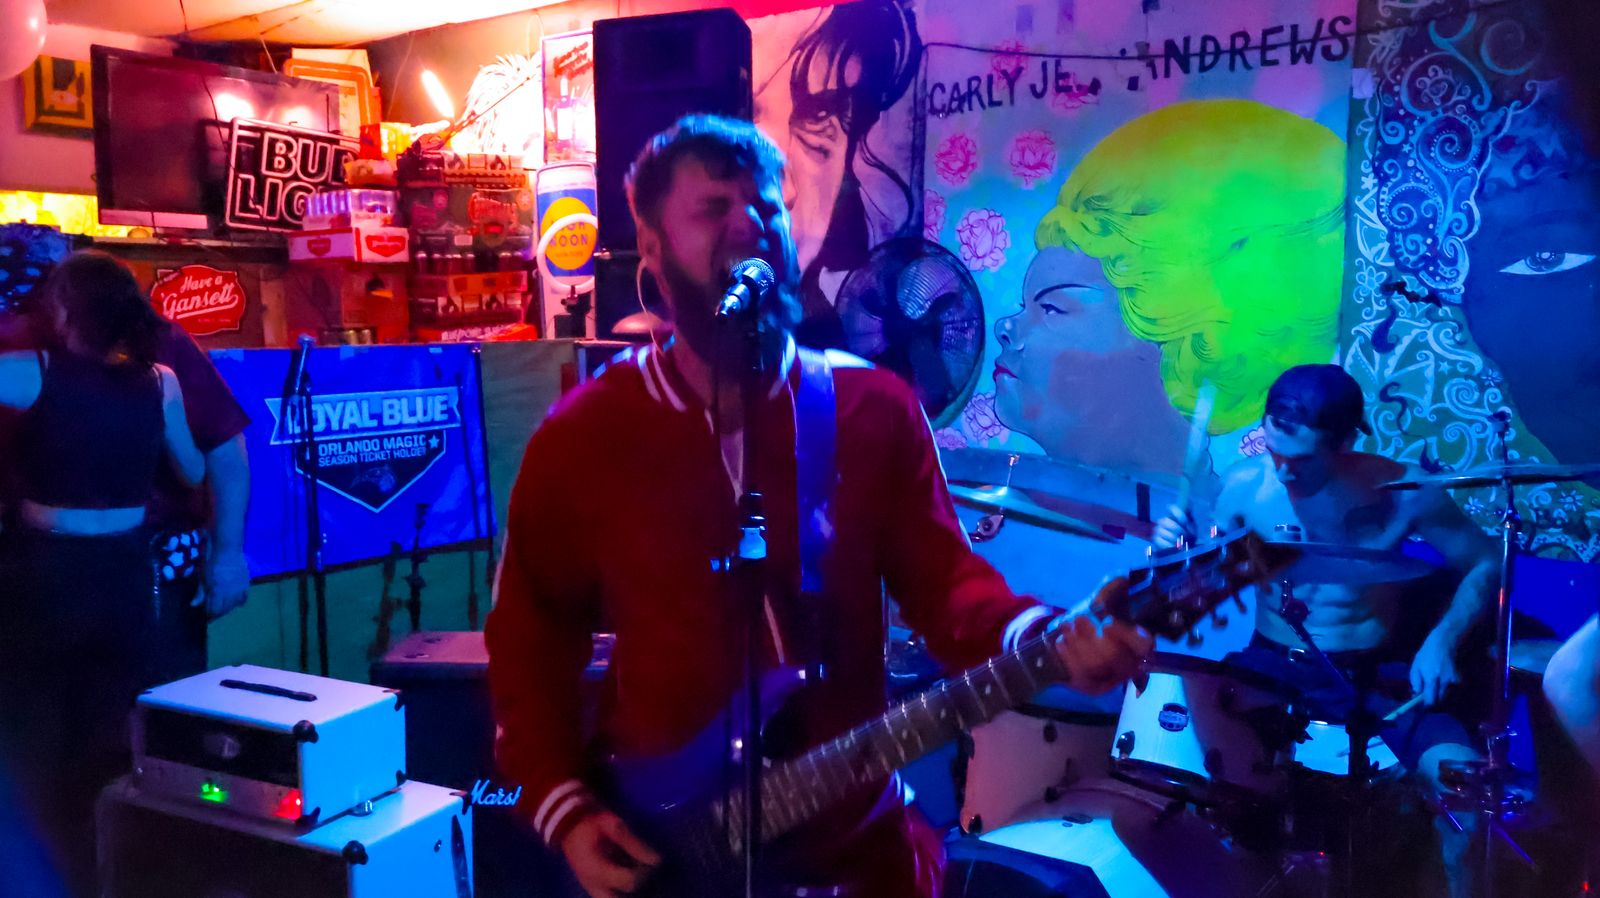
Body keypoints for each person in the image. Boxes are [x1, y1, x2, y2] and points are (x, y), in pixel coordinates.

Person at [485, 114, 1152, 898]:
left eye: (766, 207)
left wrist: (1041, 636)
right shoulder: (586, 435)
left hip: (855, 855)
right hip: (659, 847)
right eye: (714, 208)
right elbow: (531, 638)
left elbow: (947, 587)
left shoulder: (873, 408)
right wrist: (565, 809)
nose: (750, 226)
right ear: (653, 250)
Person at [1156, 364, 1499, 898]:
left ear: (1344, 443)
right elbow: (1201, 595)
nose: (1284, 473)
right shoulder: (1245, 487)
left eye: (1302, 460)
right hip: (1271, 669)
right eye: (1275, 452)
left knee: (1468, 796)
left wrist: (1443, 639)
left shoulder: (1405, 491)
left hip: (1375, 678)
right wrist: (1173, 558)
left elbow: (1486, 562)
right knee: (1206, 787)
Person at [0, 250, 206, 898]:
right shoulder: (160, 382)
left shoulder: (29, 371)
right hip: (124, 575)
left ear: (63, 309)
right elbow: (194, 470)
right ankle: (108, 876)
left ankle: (47, 877)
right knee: (112, 740)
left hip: (46, 572)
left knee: (32, 737)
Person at [999, 99, 1345, 479]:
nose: (1004, 327)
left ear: (1189, 349)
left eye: (1053, 307)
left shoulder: (1234, 507)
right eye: (1025, 306)